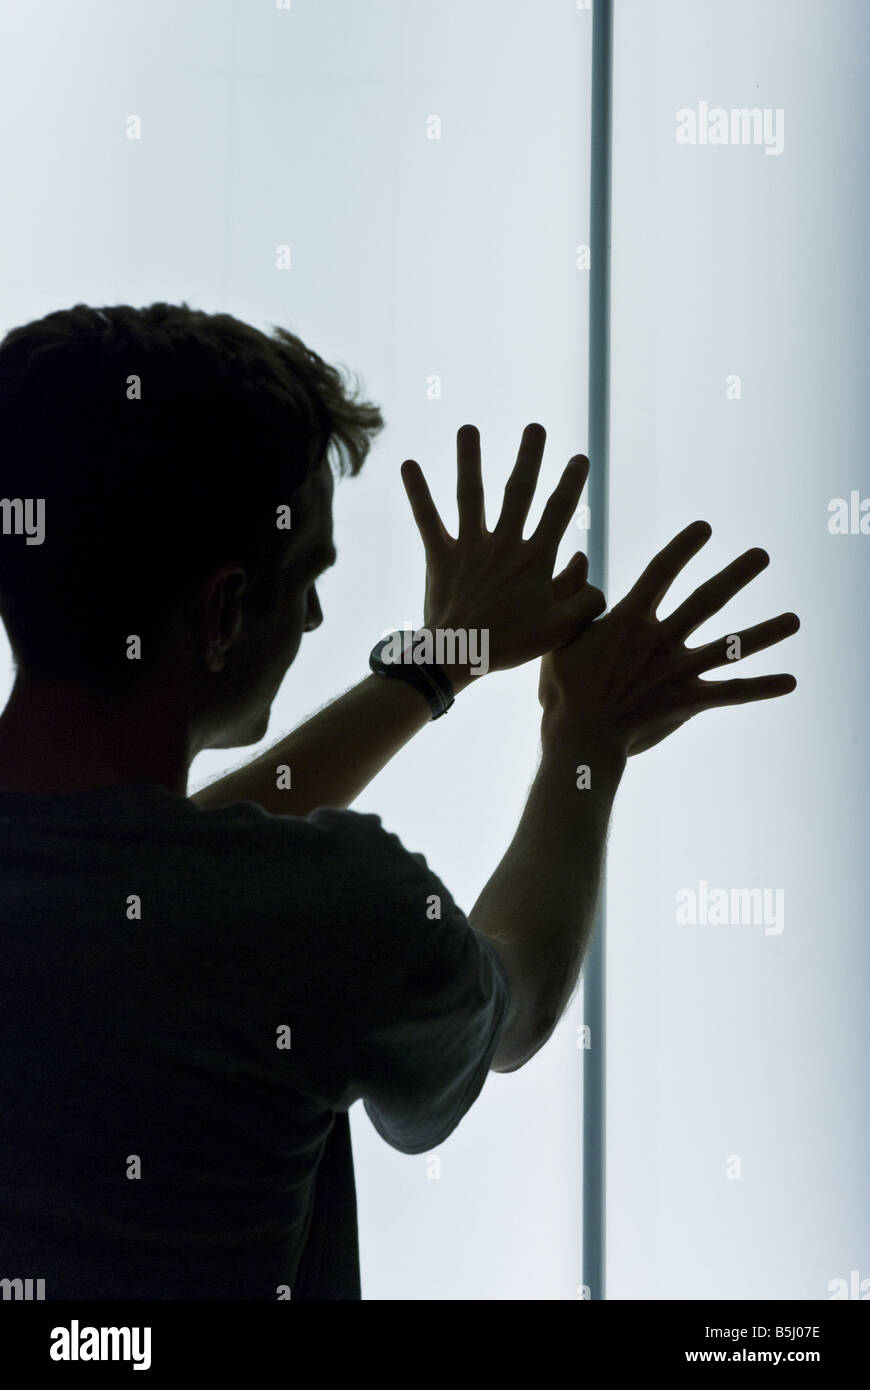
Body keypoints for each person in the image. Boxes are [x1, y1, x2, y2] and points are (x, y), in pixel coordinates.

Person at [0, 303, 799, 1299]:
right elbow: (517, 1002)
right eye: (309, 582)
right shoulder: (330, 912)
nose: (320, 615)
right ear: (224, 610)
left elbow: (149, 859)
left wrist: (436, 664)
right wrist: (584, 740)